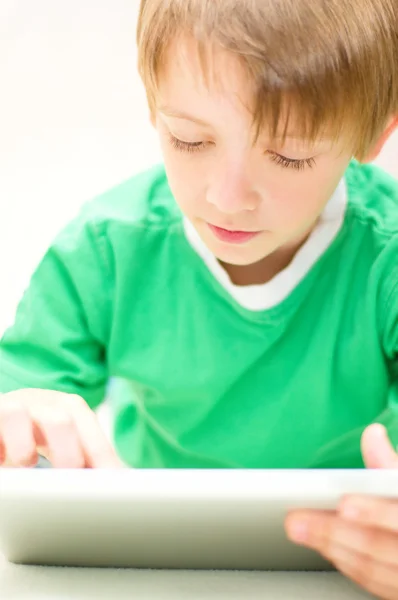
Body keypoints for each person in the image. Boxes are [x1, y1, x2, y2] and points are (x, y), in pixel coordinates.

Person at [1, 0, 398, 594]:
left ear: (375, 135)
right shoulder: (107, 250)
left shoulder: (384, 258)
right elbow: (20, 395)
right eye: (189, 140)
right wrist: (18, 418)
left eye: (289, 155)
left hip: (347, 566)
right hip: (145, 561)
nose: (227, 198)